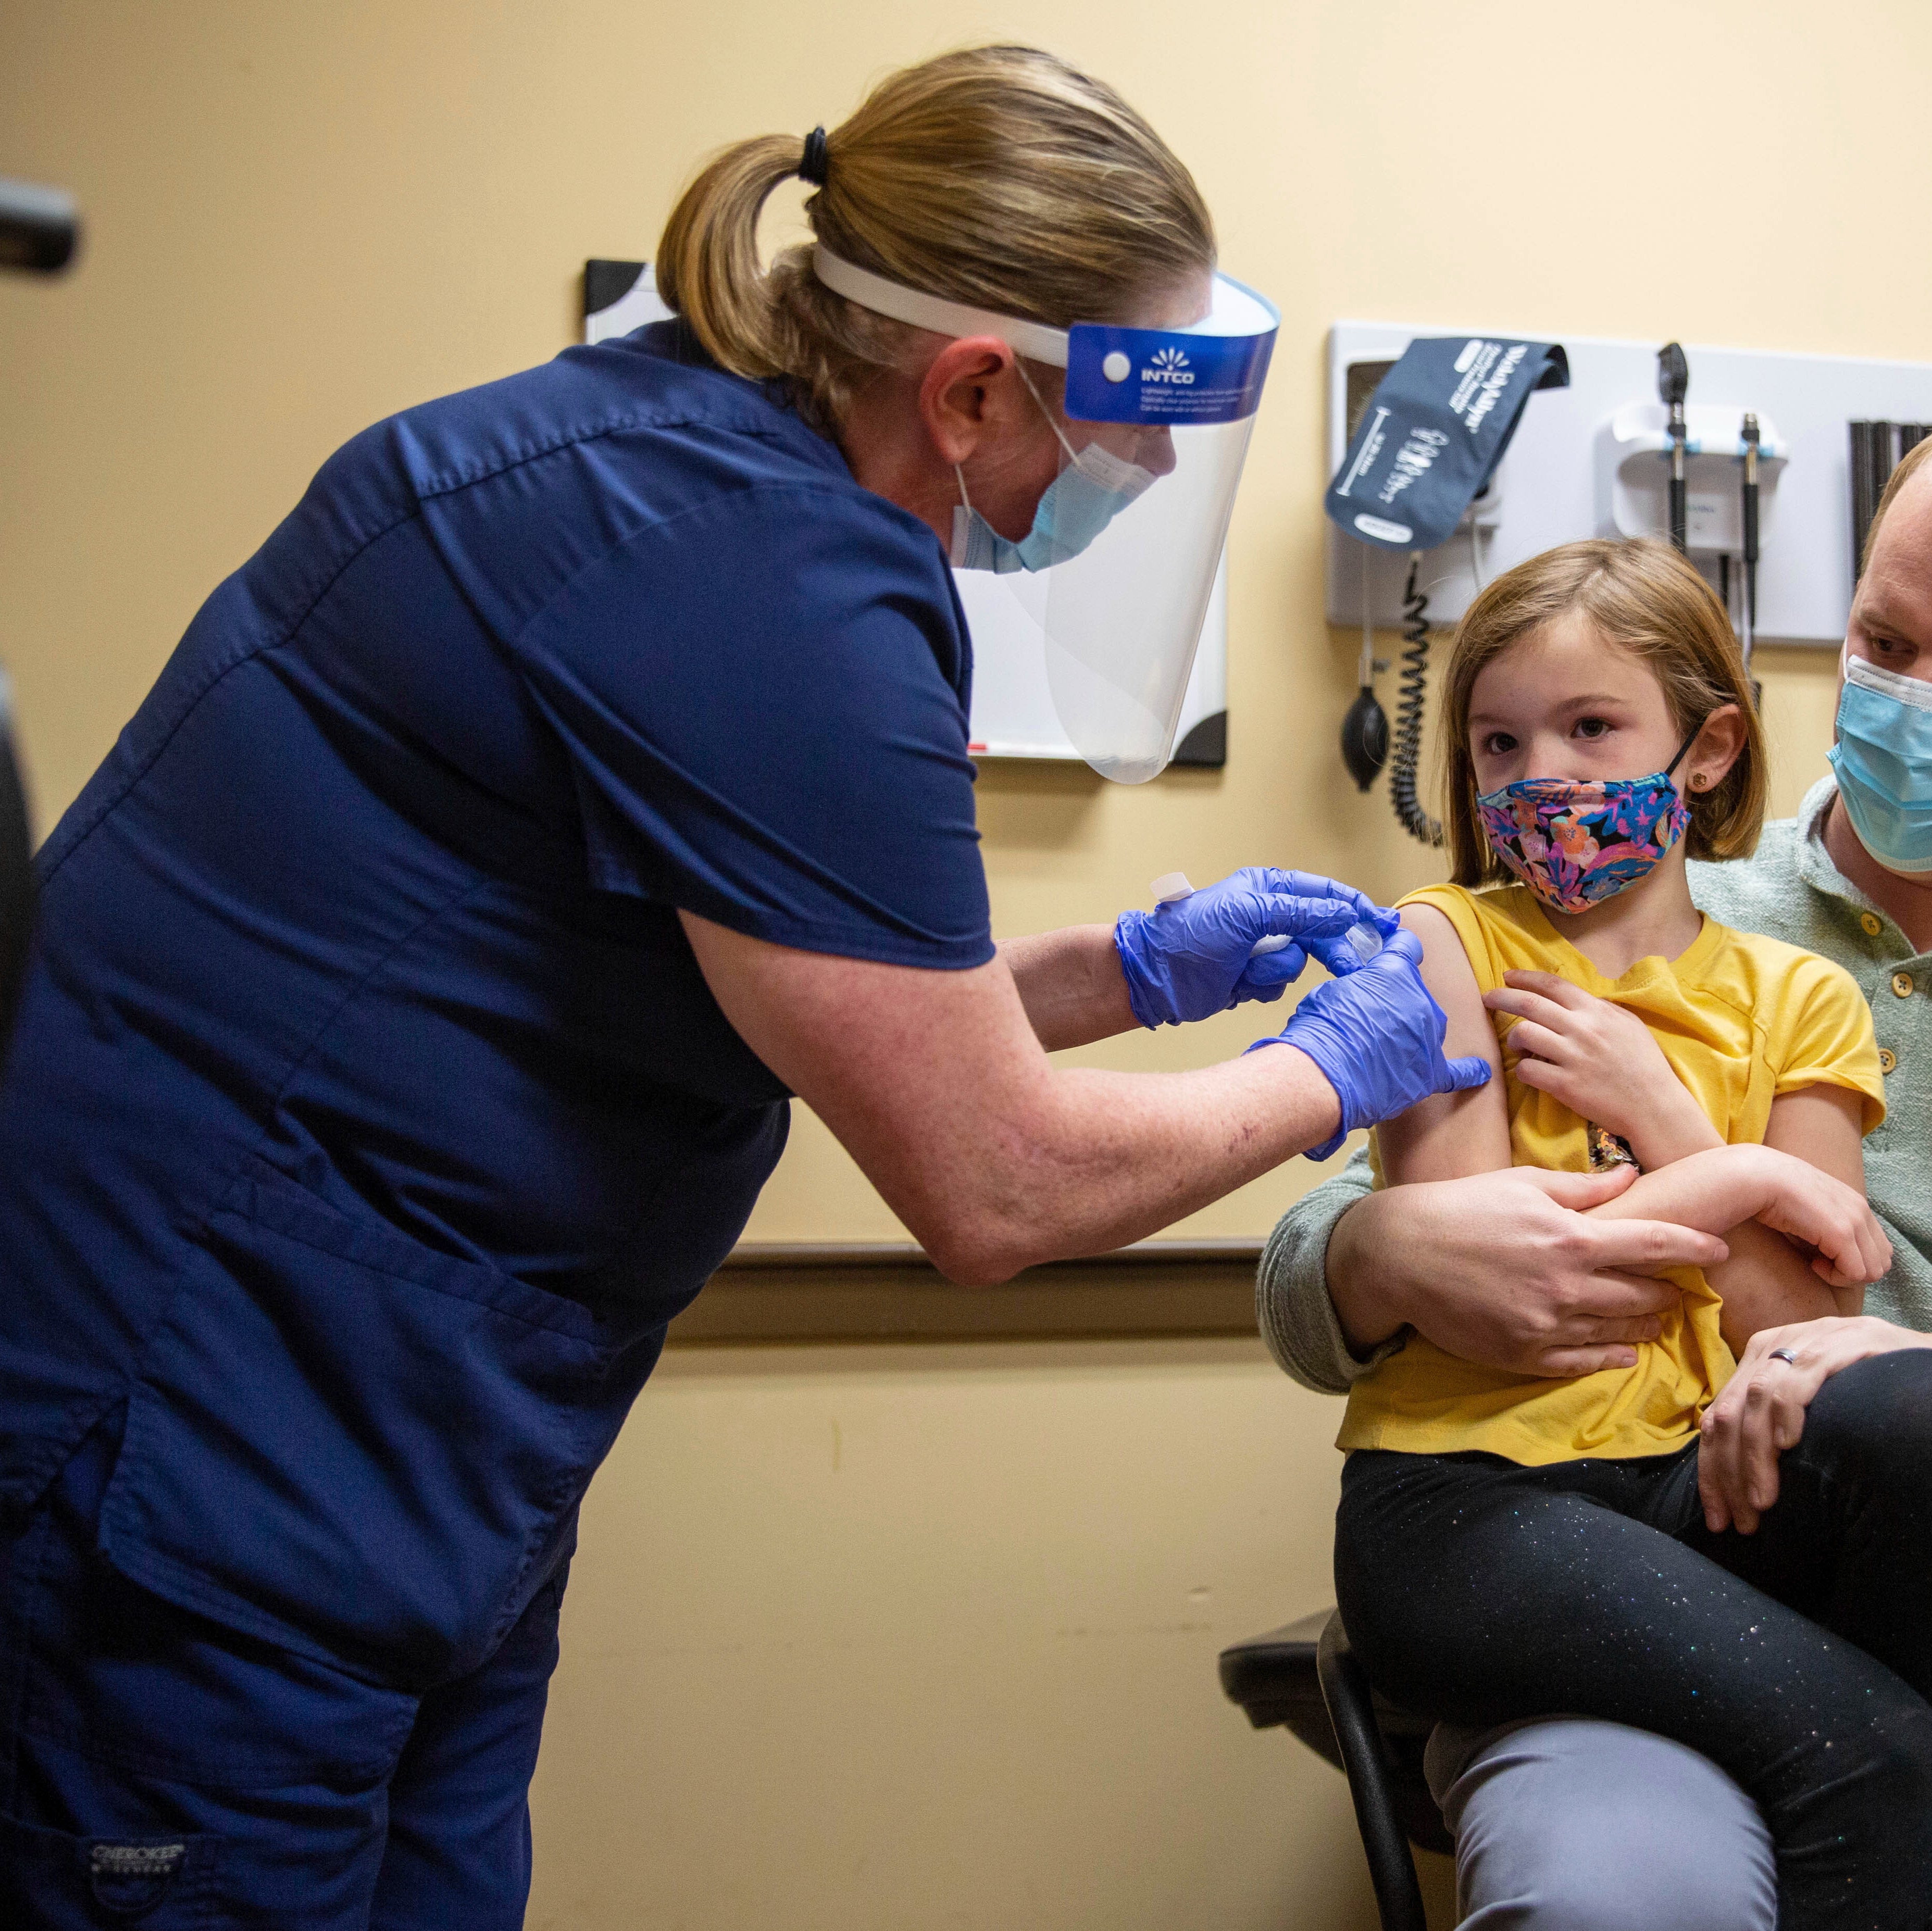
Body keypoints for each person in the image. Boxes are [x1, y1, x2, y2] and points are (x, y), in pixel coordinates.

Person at [0, 46, 1492, 1927]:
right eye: (1126, 434)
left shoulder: (677, 456)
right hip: (203, 1450)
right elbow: (994, 1185)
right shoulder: (760, 573)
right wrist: (1330, 1070)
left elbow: (809, 984)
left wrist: (1121, 970)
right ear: (967, 389)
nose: (1151, 477)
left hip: (395, 1459)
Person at [1261, 405, 1932, 1929]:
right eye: (1885, 642)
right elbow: (1350, 1227)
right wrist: (1359, 1262)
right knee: (1623, 1906)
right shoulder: (1624, 889)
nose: (1918, 699)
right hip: (1663, 1547)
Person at [1332, 538, 1932, 1931]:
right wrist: (1733, 1188)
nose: (1542, 773)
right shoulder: (1442, 943)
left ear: (1704, 750)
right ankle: (1865, 1760)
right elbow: (1496, 1272)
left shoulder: (1799, 996)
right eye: (1498, 740)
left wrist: (1666, 1122)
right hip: (1471, 1503)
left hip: (1701, 1486)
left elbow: (1804, 1324)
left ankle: (1862, 1763)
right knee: (1872, 1758)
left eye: (1592, 727)